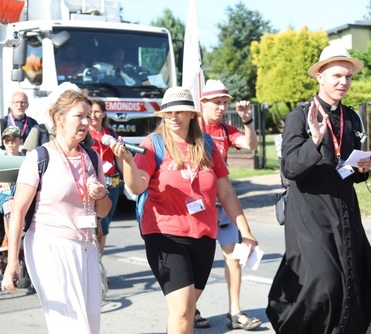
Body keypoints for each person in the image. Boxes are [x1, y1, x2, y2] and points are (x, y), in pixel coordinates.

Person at [266, 44, 371, 333]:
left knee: (353, 276)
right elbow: (290, 168)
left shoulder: (351, 117)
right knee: (324, 280)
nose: (343, 82)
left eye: (348, 77)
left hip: (343, 206)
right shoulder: (300, 116)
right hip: (308, 209)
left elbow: (349, 170)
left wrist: (362, 170)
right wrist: (314, 141)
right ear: (320, 76)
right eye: (336, 76)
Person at [109, 86, 258, 334]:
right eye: (169, 113)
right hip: (164, 235)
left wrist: (245, 231)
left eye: (180, 112)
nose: (174, 117)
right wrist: (127, 162)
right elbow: (137, 187)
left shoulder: (207, 145)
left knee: (186, 310)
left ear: (191, 115)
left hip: (203, 235)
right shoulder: (153, 144)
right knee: (181, 311)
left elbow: (227, 193)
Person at [0, 89, 112, 333]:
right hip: (48, 247)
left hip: (85, 247)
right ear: (59, 118)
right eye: (79, 116)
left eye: (88, 116)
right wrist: (12, 264)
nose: (86, 122)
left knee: (90, 326)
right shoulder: (39, 157)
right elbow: (18, 211)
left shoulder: (92, 156)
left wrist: (101, 194)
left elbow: (103, 211)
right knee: (71, 326)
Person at [195, 79, 260, 330]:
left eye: (224, 103)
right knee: (198, 263)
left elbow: (251, 144)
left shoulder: (225, 130)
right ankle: (189, 308)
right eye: (216, 102)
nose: (221, 107)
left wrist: (247, 121)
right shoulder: (193, 129)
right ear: (203, 103)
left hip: (222, 206)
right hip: (198, 208)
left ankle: (235, 312)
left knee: (233, 257)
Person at [88, 98, 122, 255]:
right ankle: (96, 263)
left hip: (113, 184)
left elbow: (119, 160)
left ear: (103, 114)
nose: (93, 115)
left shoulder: (111, 133)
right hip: (95, 185)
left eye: (97, 112)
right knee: (100, 223)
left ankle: (98, 261)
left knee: (106, 227)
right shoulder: (85, 134)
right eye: (91, 112)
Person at [0, 126, 24, 252]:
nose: (10, 144)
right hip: (4, 194)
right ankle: (8, 237)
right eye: (7, 141)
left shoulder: (26, 158)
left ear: (20, 141)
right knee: (9, 204)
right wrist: (2, 180)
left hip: (22, 192)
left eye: (13, 140)